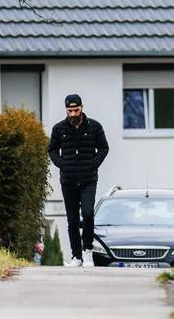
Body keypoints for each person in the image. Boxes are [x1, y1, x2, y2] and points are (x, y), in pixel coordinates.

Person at [48, 94, 109, 267]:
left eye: (76, 110)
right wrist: (62, 165)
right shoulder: (59, 129)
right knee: (72, 219)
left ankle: (87, 250)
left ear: (82, 107)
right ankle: (76, 256)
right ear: (66, 110)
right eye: (70, 111)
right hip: (68, 180)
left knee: (88, 214)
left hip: (88, 179)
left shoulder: (94, 127)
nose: (73, 114)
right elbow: (51, 150)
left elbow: (104, 148)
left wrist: (93, 164)